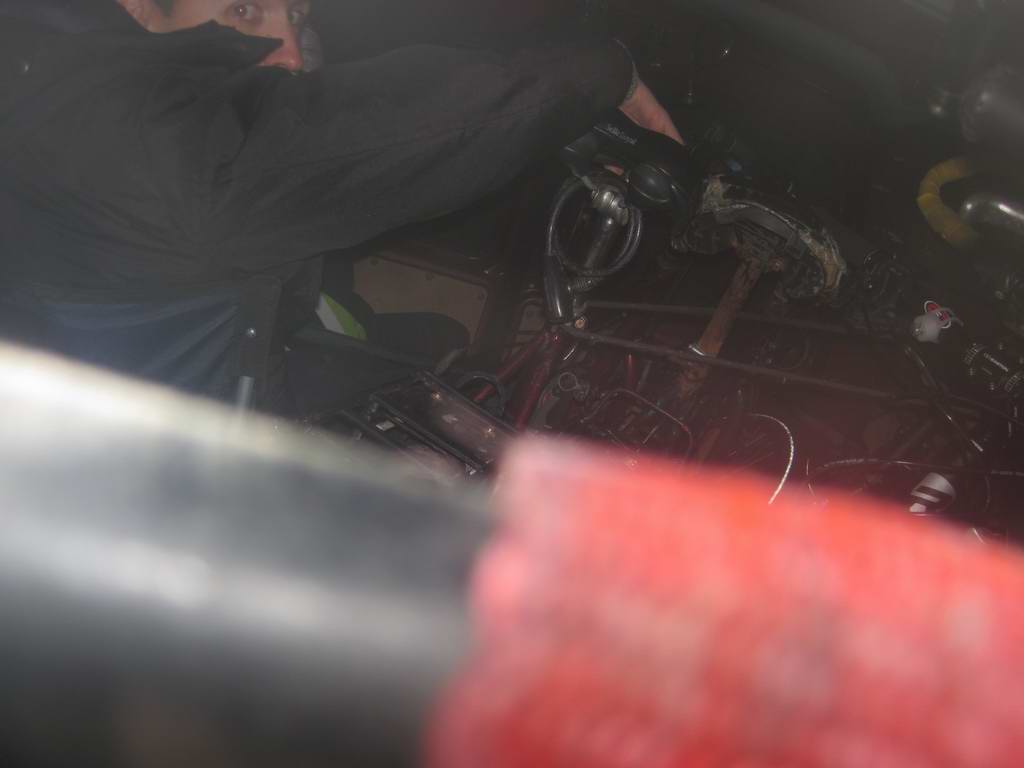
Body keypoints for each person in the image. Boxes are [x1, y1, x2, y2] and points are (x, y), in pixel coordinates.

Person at [0, 0, 682, 413]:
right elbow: (409, 124)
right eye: (244, 14)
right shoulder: (178, 150)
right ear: (141, 8)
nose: (292, 55)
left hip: (126, 397)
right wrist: (604, 74)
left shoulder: (58, 81)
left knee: (434, 364)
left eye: (298, 18)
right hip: (169, 482)